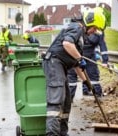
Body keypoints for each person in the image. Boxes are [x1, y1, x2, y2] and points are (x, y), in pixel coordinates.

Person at [42, 7, 106, 136]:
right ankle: (52, 134)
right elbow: (67, 44)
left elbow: (77, 66)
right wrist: (79, 58)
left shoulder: (81, 36)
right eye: (94, 27)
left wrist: (87, 83)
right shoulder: (76, 27)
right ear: (88, 22)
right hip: (54, 63)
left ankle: (62, 133)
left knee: (66, 102)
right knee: (56, 100)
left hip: (60, 65)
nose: (94, 31)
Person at [68, 7, 109, 101]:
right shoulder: (79, 27)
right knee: (72, 76)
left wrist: (105, 60)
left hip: (90, 55)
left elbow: (103, 46)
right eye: (94, 29)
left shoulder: (99, 32)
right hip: (76, 55)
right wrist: (77, 57)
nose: (94, 31)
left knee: (93, 75)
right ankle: (69, 100)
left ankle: (97, 95)